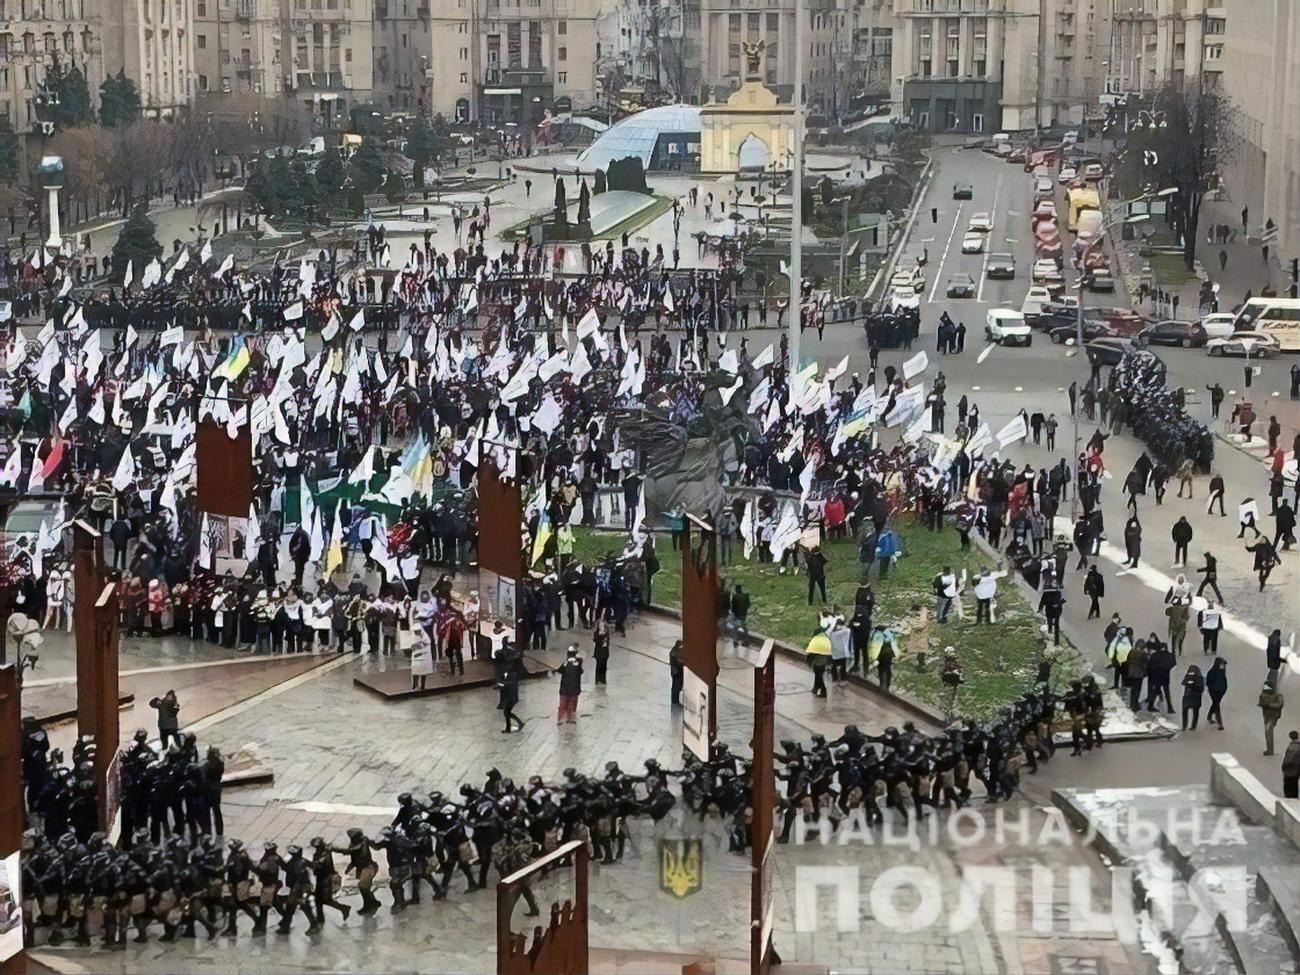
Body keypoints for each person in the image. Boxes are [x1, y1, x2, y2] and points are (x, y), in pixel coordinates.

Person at [555, 646, 583, 724]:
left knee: (562, 704)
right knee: (571, 704)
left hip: (564, 688)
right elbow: (581, 671)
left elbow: (559, 670)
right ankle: (570, 719)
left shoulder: (565, 663)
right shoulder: (578, 663)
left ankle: (559, 719)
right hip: (574, 688)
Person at [1260, 678, 1285, 756]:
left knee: (1268, 732)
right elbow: (1280, 705)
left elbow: (1262, 704)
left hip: (1269, 716)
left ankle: (1270, 750)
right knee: (1269, 731)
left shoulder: (1264, 696)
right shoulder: (1279, 697)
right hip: (1274, 716)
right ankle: (1270, 749)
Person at [805, 628, 832, 698]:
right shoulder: (825, 638)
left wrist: (809, 661)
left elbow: (812, 652)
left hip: (818, 661)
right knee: (818, 675)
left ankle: (823, 691)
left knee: (819, 676)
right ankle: (815, 688)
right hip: (824, 661)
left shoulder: (816, 640)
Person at [499, 658, 524, 733]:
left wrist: (501, 685)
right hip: (510, 696)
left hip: (511, 697)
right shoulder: (511, 673)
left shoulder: (512, 674)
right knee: (506, 712)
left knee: (507, 712)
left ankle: (519, 723)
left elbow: (509, 684)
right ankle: (509, 728)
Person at [1205, 658, 1228, 730]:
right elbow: (1208, 682)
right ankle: (1220, 724)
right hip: (1214, 691)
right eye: (1222, 664)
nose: (1223, 666)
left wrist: (1224, 689)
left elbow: (1224, 680)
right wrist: (1212, 688)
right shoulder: (1211, 672)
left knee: (1215, 704)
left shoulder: (1222, 671)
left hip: (1221, 691)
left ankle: (1209, 716)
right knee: (1217, 705)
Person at [1181, 665, 1205, 731]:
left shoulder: (1200, 678)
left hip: (1196, 697)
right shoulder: (1188, 676)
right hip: (1187, 697)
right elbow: (1183, 683)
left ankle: (1193, 726)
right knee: (1185, 711)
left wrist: (1192, 685)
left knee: (1195, 712)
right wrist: (1188, 683)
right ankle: (1184, 726)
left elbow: (1201, 689)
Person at [1283, 731, 1300, 799]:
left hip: (1291, 769)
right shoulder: (1298, 745)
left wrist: (1284, 766)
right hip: (1297, 769)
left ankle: (1290, 798)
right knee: (1294, 784)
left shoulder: (1293, 746)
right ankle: (1294, 797)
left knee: (1289, 784)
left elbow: (1289, 759)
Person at [668, 640, 684, 706]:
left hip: (677, 671)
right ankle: (675, 701)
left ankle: (676, 700)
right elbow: (678, 660)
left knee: (678, 686)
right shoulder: (674, 652)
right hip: (676, 672)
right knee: (676, 687)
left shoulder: (675, 651)